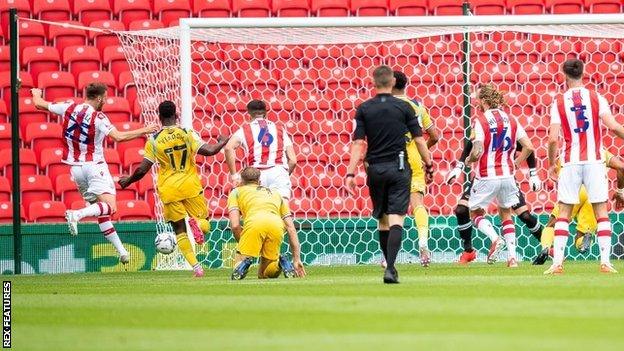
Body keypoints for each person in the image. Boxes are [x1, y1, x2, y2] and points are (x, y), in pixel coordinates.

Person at [31, 83, 158, 264]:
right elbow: (118, 137)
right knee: (110, 207)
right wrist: (144, 130)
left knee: (101, 211)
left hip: (76, 170)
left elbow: (39, 104)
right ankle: (77, 215)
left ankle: (122, 252)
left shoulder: (68, 107)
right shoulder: (99, 117)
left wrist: (36, 93)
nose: (105, 101)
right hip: (94, 166)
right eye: (105, 98)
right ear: (99, 98)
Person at [118, 100, 228, 277]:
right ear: (176, 115)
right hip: (190, 185)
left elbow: (142, 169)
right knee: (205, 224)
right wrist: (222, 142)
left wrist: (128, 180)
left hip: (169, 189)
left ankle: (196, 268)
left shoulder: (153, 141)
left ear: (159, 117)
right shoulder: (186, 133)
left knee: (179, 230)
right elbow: (208, 151)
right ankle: (197, 224)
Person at [344, 65, 433, 284]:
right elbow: (420, 139)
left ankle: (386, 261)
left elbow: (357, 143)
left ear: (373, 83)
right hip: (400, 167)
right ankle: (391, 268)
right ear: (392, 83)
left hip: (375, 169)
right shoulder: (405, 108)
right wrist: (429, 163)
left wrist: (351, 172)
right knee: (396, 220)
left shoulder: (364, 109)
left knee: (382, 221)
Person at [545, 59, 624, 274]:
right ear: (583, 73)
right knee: (601, 212)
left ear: (563, 75)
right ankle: (605, 263)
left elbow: (553, 138)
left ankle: (557, 264)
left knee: (563, 212)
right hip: (595, 160)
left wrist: (552, 164)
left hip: (570, 162)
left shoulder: (559, 101)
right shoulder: (597, 97)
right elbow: (615, 127)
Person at [465, 84, 534, 268]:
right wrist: (516, 163)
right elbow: (529, 146)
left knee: (475, 212)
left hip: (487, 175)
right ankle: (512, 259)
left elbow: (477, 150)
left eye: (479, 100)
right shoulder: (512, 119)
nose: (477, 103)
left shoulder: (481, 121)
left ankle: (495, 238)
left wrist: (468, 159)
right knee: (506, 213)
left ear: (485, 101)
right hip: (508, 176)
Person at [446, 138, 543, 265]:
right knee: (463, 209)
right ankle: (472, 252)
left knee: (523, 215)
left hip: (493, 178)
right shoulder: (501, 126)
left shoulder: (492, 126)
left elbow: (528, 147)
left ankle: (547, 245)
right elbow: (471, 143)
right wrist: (459, 167)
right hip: (496, 178)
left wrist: (533, 173)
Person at [536, 150, 624, 264]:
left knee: (552, 224)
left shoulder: (568, 149)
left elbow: (558, 173)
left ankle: (546, 248)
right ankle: (586, 238)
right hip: (594, 194)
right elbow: (621, 167)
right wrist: (620, 190)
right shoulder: (600, 150)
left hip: (574, 190)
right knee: (580, 237)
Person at [392, 70, 439, 267]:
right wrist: (423, 154)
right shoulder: (418, 106)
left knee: (393, 209)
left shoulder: (385, 107)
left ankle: (389, 257)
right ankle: (423, 243)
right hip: (414, 160)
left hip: (392, 160)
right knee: (417, 203)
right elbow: (434, 136)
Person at [228, 167, 305, 280]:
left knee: (239, 264)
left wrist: (245, 242)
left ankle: (243, 265)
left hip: (254, 223)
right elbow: (291, 228)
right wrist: (296, 259)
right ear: (259, 181)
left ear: (242, 181)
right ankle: (281, 263)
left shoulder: (236, 192)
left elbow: (235, 225)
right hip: (276, 225)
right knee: (264, 274)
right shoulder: (275, 193)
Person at [223, 100, 297, 199]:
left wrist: (234, 176)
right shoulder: (279, 129)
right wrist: (283, 175)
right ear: (266, 113)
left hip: (255, 176)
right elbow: (293, 161)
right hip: (278, 171)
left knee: (257, 210)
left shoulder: (244, 130)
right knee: (282, 210)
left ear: (248, 114)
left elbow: (228, 148)